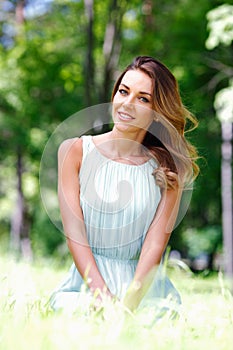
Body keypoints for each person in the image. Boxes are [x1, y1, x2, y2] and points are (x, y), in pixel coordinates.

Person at [50, 56, 199, 315]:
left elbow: (155, 246)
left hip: (142, 289)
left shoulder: (168, 170)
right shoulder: (74, 151)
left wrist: (127, 307)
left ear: (157, 112)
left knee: (153, 319)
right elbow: (75, 236)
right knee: (78, 313)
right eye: (123, 91)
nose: (127, 104)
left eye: (143, 99)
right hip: (86, 284)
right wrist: (102, 299)